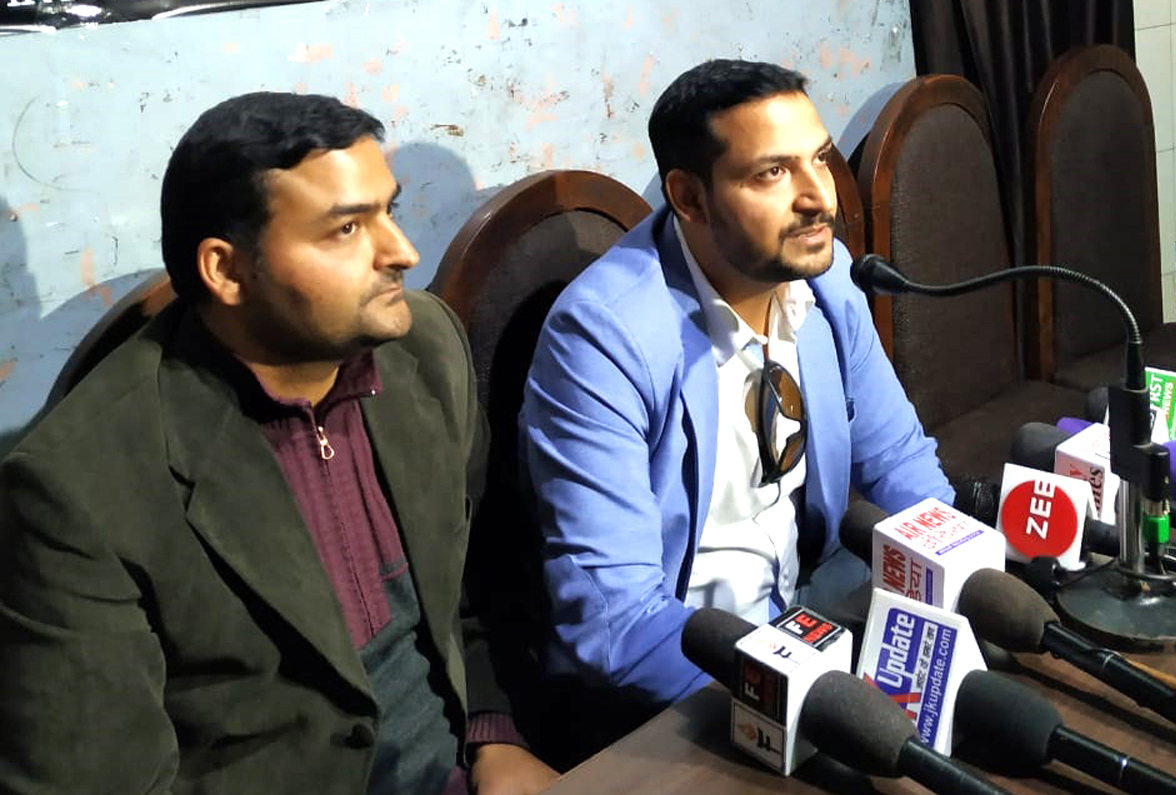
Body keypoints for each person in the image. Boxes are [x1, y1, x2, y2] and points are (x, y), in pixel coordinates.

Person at [0, 92, 557, 795]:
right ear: (226, 270)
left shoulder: (425, 350)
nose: (403, 252)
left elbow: (480, 579)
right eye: (347, 229)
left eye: (388, 211)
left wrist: (495, 734)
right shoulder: (76, 488)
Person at [520, 60, 955, 717]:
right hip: (690, 680)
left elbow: (898, 463)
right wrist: (796, 697)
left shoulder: (826, 276)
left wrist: (963, 582)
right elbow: (618, 624)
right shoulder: (602, 339)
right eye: (772, 173)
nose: (819, 198)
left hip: (813, 615)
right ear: (689, 198)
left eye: (819, 158)